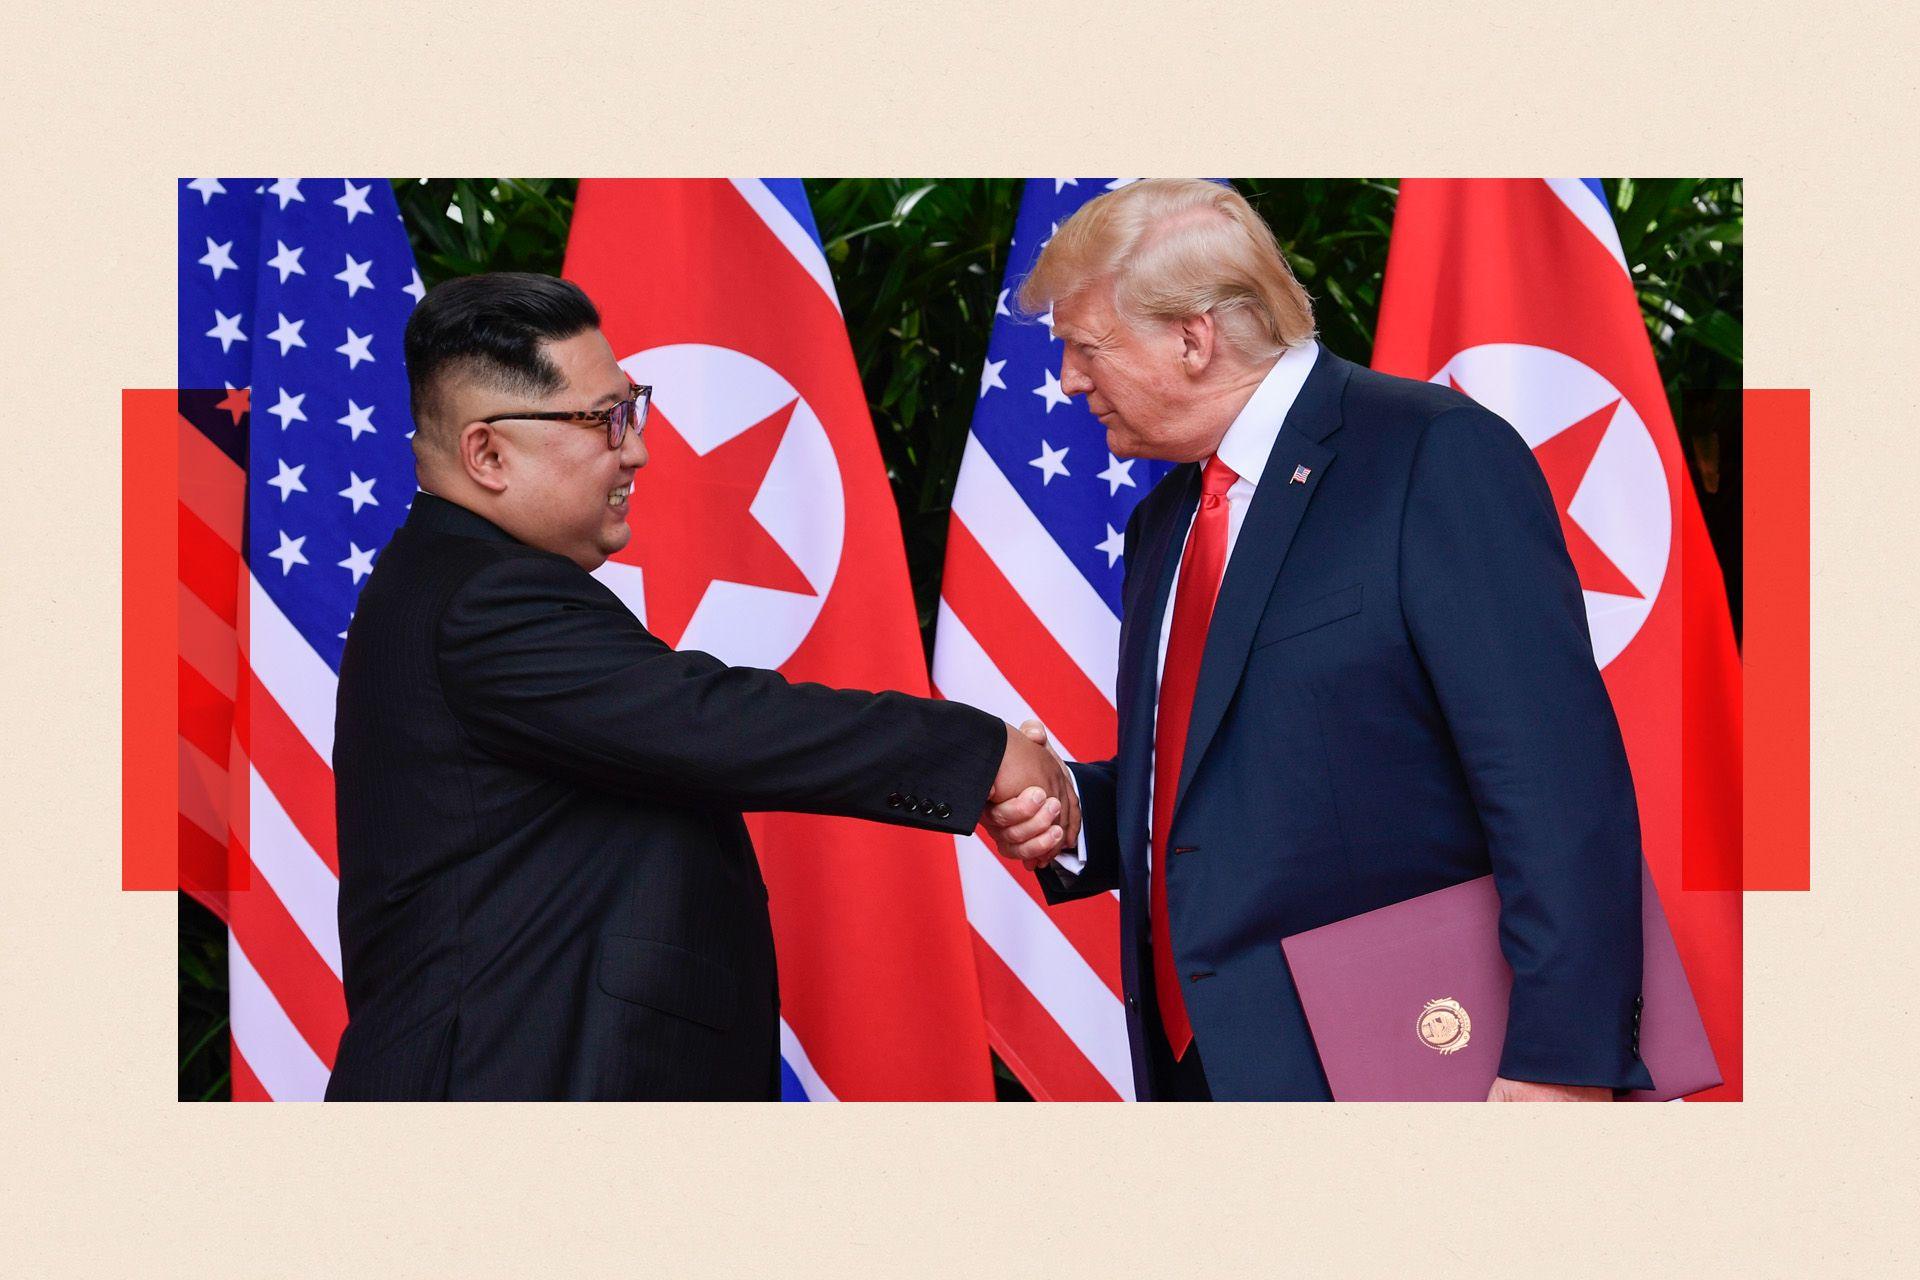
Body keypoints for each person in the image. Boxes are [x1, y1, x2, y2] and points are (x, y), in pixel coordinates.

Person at [326, 272, 1075, 1100]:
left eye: (631, 406)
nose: (637, 448)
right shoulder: (483, 599)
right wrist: (982, 751)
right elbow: (713, 723)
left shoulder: (457, 581)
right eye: (603, 420)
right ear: (489, 453)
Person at [983, 179, 1654, 1102]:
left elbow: (1555, 782)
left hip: (1418, 1069)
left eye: (1085, 346)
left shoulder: (1432, 456)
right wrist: (1075, 809)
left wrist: (1561, 1065)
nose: (1065, 379)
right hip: (1204, 1074)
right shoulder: (1167, 520)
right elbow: (1236, 778)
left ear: (1193, 336)